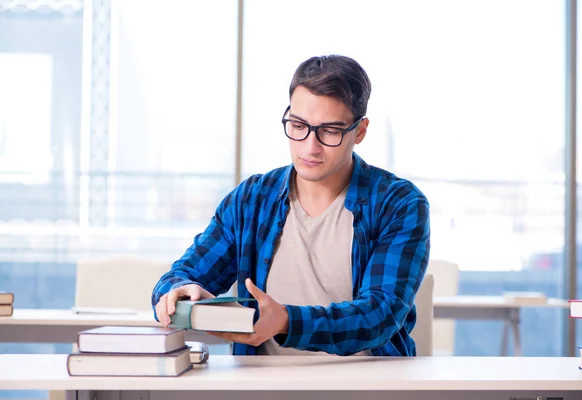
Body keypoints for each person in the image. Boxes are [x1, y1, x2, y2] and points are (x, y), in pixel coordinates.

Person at [152, 54, 430, 357]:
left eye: (330, 131)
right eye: (298, 125)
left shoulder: (398, 204)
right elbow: (179, 277)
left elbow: (381, 314)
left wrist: (286, 321)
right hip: (263, 388)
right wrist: (179, 291)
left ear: (360, 131)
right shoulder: (251, 200)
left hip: (367, 387)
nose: (310, 147)